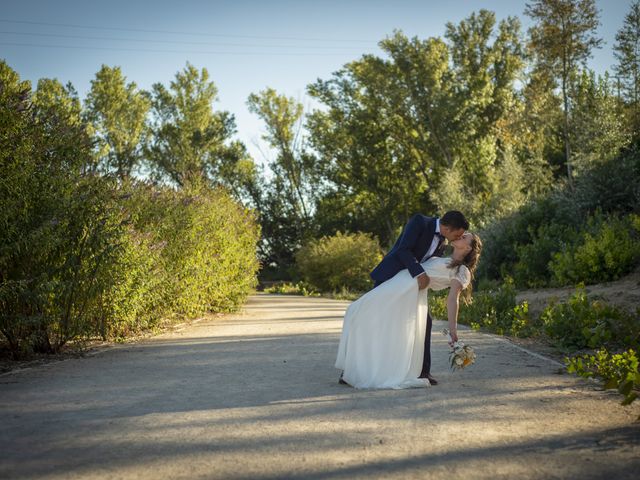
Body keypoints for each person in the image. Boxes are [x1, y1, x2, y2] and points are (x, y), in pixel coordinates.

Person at [335, 231, 482, 389]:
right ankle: (355, 368)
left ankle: (361, 370)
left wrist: (453, 331)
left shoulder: (462, 271)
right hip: (398, 281)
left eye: (465, 236)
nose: (460, 234)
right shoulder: (441, 257)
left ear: (468, 248)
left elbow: (453, 299)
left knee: (358, 310)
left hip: (406, 290)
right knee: (359, 313)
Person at [369, 211, 469, 385]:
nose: (459, 237)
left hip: (412, 289)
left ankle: (423, 372)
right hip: (391, 277)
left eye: (462, 236)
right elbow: (403, 250)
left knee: (425, 323)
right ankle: (354, 368)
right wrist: (420, 273)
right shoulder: (420, 222)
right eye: (458, 234)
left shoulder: (443, 243)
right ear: (446, 227)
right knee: (374, 322)